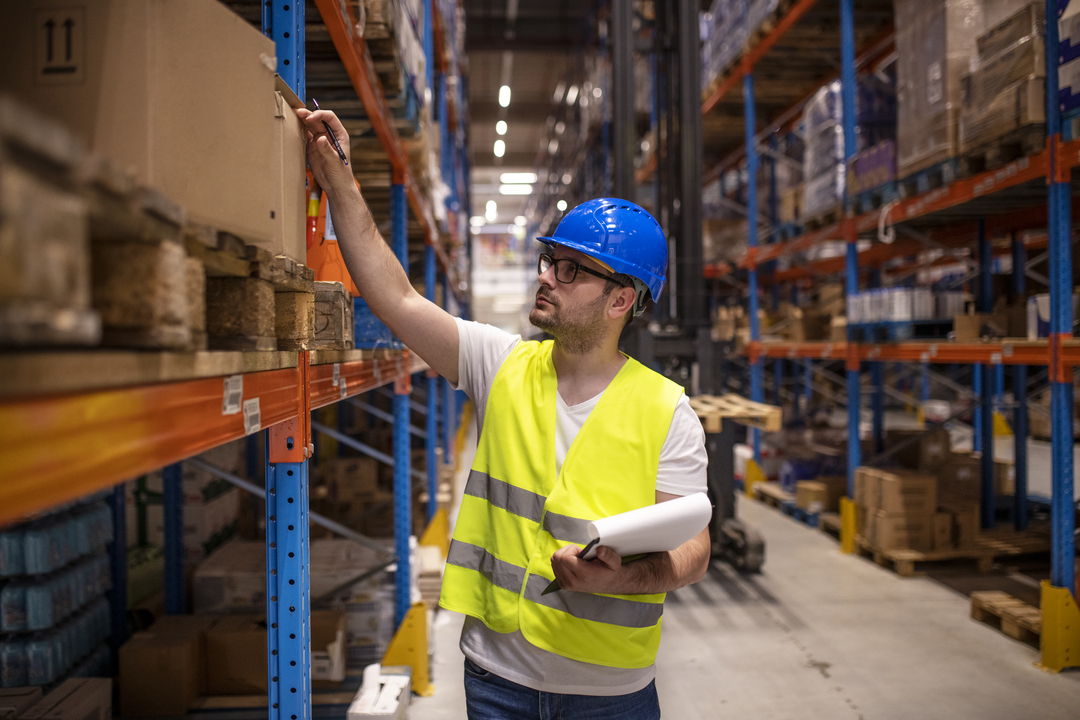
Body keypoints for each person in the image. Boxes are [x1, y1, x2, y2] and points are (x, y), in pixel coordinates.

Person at [298, 106, 710, 720]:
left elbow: (694, 551)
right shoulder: (502, 364)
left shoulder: (667, 411)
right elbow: (395, 298)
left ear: (622, 298)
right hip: (495, 680)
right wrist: (341, 184)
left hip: (609, 694)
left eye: (571, 271)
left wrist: (613, 580)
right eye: (550, 261)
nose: (547, 277)